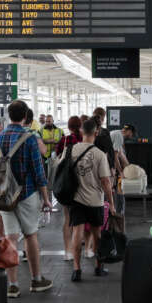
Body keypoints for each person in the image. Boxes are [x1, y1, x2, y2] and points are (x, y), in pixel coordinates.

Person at [0, 100, 53, 296]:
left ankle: (12, 285)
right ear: (25, 117)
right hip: (26, 193)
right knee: (30, 235)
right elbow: (38, 171)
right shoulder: (29, 138)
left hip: (4, 196)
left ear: (8, 116)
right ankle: (36, 280)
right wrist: (46, 198)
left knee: (10, 237)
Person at [66, 118, 116, 282]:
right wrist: (112, 203)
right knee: (97, 235)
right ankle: (98, 267)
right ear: (96, 132)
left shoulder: (71, 150)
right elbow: (106, 182)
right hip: (95, 201)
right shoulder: (100, 154)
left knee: (77, 234)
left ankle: (76, 269)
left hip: (76, 199)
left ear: (81, 131)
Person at [57, 116, 83, 261]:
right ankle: (78, 249)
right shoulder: (84, 140)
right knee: (79, 220)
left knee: (67, 218)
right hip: (81, 183)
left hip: (66, 183)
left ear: (69, 126)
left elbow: (57, 156)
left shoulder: (64, 140)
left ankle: (67, 251)